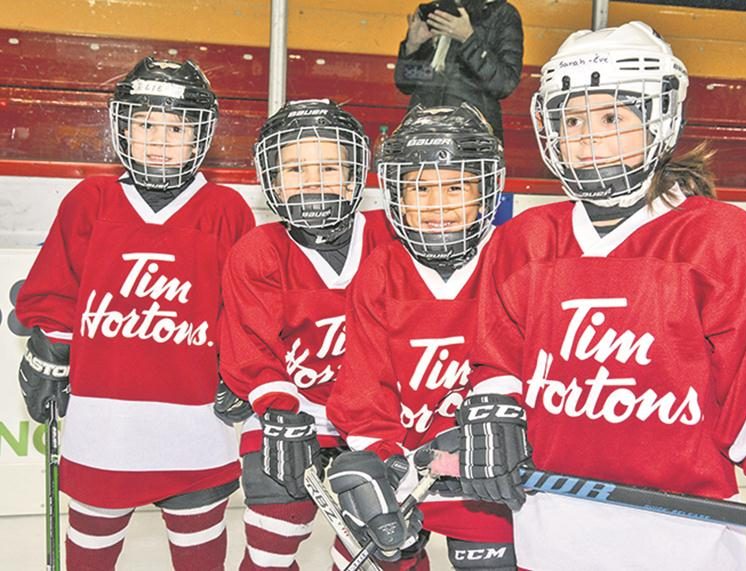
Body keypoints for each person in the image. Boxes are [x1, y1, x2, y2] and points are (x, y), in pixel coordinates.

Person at [455, 21, 746, 570]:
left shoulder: (719, 236)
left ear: (659, 119)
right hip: (552, 524)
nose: (589, 137)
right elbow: (496, 356)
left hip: (687, 534)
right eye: (572, 119)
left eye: (613, 116)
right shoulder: (526, 240)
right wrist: (495, 409)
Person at [15, 56, 255, 570]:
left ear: (200, 136)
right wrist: (51, 350)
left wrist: (241, 370)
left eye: (176, 127)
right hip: (106, 423)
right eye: (145, 124)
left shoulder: (226, 210)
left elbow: (245, 308)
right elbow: (56, 288)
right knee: (92, 547)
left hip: (196, 423)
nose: (159, 138)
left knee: (200, 550)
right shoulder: (90, 200)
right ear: (122, 127)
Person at [326, 103, 516, 571]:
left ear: (486, 188)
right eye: (420, 189)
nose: (437, 205)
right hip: (402, 467)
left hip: (484, 471)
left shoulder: (512, 261)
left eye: (455, 187)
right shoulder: (382, 270)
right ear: (395, 194)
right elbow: (364, 383)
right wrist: (381, 459)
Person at [218, 99, 398, 570]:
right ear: (272, 181)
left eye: (329, 166)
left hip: (378, 417)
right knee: (273, 529)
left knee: (380, 545)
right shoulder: (259, 251)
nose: (313, 179)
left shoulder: (393, 237)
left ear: (357, 171)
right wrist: (279, 413)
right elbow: (249, 348)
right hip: (290, 413)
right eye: (295, 168)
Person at [395, 0, 523, 142]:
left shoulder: (504, 14)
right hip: (422, 134)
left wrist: (468, 38)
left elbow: (505, 84)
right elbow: (405, 85)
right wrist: (412, 46)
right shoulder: (439, 11)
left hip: (472, 141)